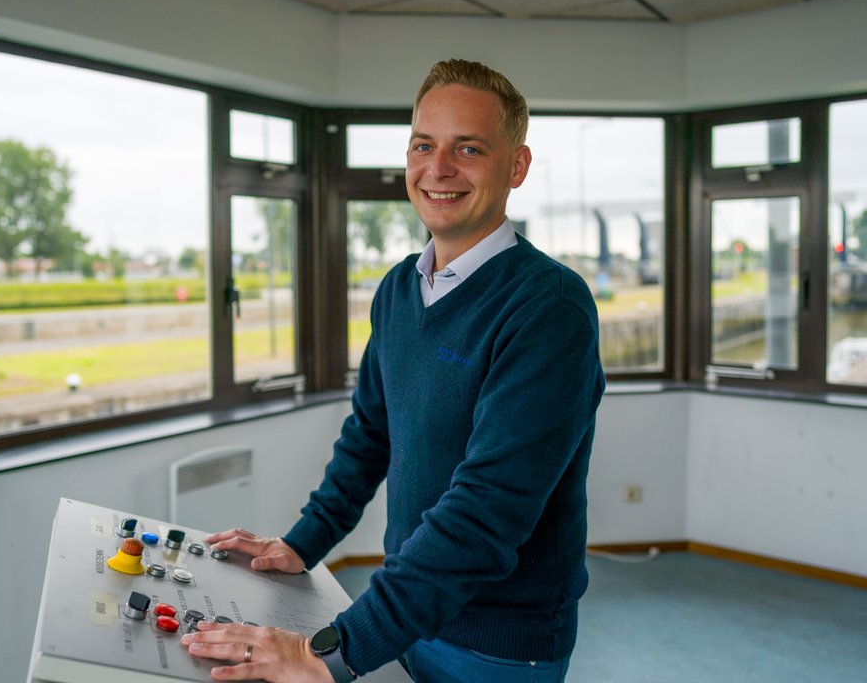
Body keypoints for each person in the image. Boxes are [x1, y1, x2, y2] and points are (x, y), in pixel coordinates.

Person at [183, 59, 604, 682]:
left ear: (516, 167)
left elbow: (487, 510)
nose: (438, 169)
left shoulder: (550, 309)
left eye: (468, 147)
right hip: (410, 612)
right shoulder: (400, 289)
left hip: (497, 644)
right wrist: (304, 543)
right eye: (423, 145)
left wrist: (328, 651)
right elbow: (370, 434)